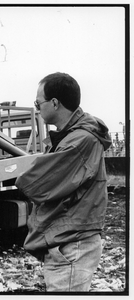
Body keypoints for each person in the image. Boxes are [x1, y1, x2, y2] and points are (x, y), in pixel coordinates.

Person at [15, 72, 112, 292]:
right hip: (69, 242)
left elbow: (36, 184)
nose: (37, 108)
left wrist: (8, 171)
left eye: (37, 103)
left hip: (72, 246)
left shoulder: (78, 142)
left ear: (55, 103)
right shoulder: (72, 137)